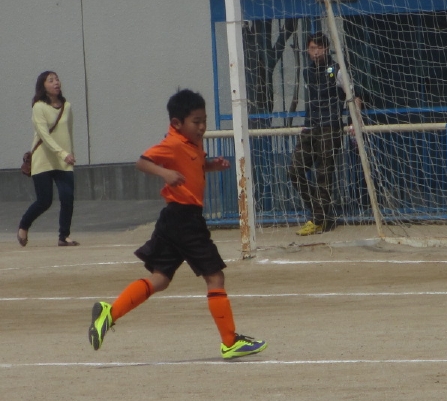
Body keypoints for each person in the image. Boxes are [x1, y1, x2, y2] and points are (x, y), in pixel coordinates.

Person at [87, 89, 267, 360]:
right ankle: (230, 342)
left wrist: (210, 166)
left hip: (173, 220)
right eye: (196, 121)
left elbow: (193, 166)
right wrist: (165, 173)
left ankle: (109, 313)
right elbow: (142, 162)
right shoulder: (172, 143)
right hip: (185, 220)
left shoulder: (192, 142)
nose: (202, 126)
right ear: (176, 123)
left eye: (204, 120)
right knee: (215, 277)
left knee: (160, 279)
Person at [288, 33, 350, 236]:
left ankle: (318, 220)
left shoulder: (336, 70)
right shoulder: (308, 72)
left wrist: (353, 120)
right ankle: (321, 211)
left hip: (330, 127)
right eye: (312, 48)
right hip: (311, 127)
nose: (315, 52)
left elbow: (352, 95)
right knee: (294, 170)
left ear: (326, 49)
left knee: (323, 174)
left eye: (319, 48)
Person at [18, 70, 78, 247]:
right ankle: (23, 225)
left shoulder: (67, 106)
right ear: (43, 86)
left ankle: (64, 236)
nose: (56, 83)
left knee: (67, 197)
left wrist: (70, 153)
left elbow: (69, 131)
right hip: (43, 159)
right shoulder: (38, 107)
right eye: (51, 80)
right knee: (44, 201)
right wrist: (63, 153)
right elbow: (44, 135)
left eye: (57, 79)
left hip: (63, 160)